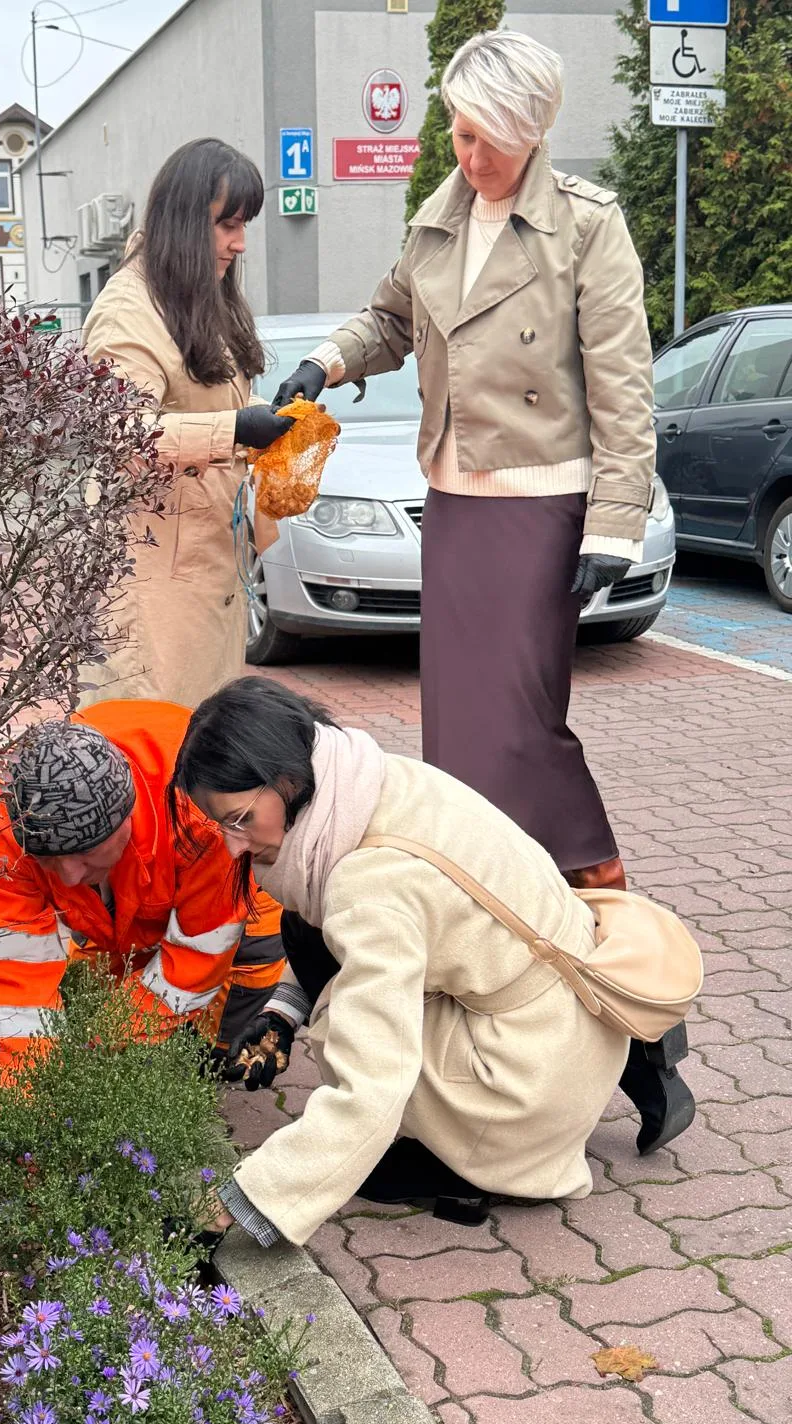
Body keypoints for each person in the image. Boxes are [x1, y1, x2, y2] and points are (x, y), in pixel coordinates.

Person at [272, 31, 653, 896]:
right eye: (459, 132)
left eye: (489, 136)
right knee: (456, 719)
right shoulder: (438, 221)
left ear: (532, 129)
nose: (470, 154)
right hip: (452, 499)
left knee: (519, 718)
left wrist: (615, 525)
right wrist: (323, 364)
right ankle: (488, 888)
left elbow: (625, 389)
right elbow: (388, 320)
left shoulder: (586, 227)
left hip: (542, 503)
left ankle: (593, 872)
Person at [171, 678, 695, 1247]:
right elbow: (329, 937)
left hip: (525, 1089)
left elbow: (372, 1080)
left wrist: (245, 1201)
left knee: (342, 1029)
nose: (232, 846)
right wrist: (280, 1014)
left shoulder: (368, 882)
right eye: (218, 825)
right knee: (303, 922)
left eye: (240, 818)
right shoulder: (373, 783)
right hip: (576, 997)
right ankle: (613, 1068)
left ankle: (475, 1164)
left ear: (287, 778)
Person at [0, 700, 283, 1086]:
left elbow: (198, 955)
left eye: (84, 855)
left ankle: (212, 1060)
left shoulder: (202, 814)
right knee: (104, 982)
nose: (67, 879)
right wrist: (30, 1094)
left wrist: (109, 1043)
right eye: (48, 859)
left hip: (233, 899)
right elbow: (12, 975)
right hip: (130, 904)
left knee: (223, 1035)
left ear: (126, 818)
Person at [80, 138, 291, 708]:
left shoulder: (198, 300)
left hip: (209, 575)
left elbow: (204, 411)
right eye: (226, 225)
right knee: (151, 751)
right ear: (182, 221)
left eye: (244, 224)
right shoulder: (129, 310)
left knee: (202, 757)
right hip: (152, 591)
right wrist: (236, 430)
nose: (239, 243)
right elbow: (120, 433)